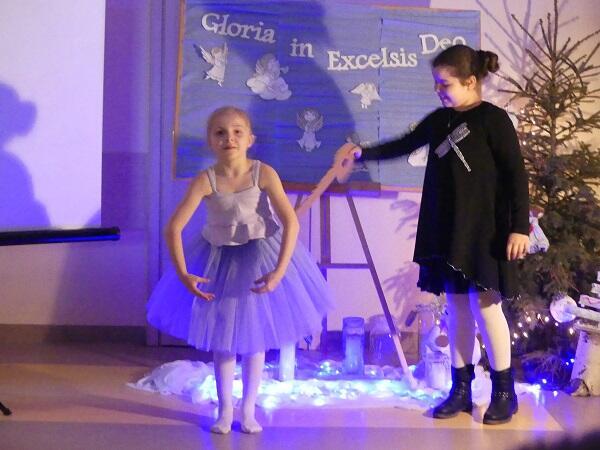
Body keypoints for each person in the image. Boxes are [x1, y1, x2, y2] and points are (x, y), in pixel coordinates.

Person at [337, 44, 530, 424]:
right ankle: (460, 390)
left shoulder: (494, 120)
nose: (438, 90)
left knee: (486, 308)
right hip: (447, 229)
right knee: (456, 309)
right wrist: (362, 154)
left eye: (445, 83)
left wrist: (519, 228)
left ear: (470, 81)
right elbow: (403, 144)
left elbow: (515, 176)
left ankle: (504, 393)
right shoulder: (440, 121)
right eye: (436, 83)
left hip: (485, 232)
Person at [147, 106, 334, 434]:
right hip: (220, 261)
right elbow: (173, 228)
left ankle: (248, 410)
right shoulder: (205, 180)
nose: (229, 138)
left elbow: (290, 222)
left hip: (260, 259)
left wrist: (279, 271)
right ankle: (225, 410)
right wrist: (183, 273)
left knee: (254, 337)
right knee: (224, 341)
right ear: (210, 141)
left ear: (250, 139)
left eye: (237, 132)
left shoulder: (263, 173)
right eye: (220, 132)